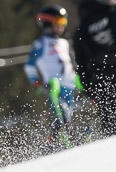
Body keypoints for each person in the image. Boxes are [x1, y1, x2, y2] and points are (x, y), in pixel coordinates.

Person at [24, 5, 82, 145]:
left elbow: (71, 63)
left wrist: (80, 80)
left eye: (64, 22)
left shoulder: (64, 43)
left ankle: (64, 143)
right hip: (55, 86)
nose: (62, 26)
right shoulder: (41, 43)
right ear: (47, 23)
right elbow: (29, 65)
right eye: (59, 22)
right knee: (62, 117)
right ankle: (51, 146)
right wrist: (36, 82)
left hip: (70, 85)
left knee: (68, 116)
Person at [74, 0, 116, 136]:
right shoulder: (112, 13)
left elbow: (81, 67)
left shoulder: (81, 31)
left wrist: (91, 94)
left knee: (111, 131)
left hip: (101, 83)